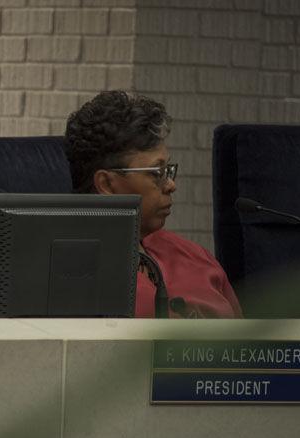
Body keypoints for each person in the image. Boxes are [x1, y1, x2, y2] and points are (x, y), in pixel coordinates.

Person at [65, 91, 242, 318]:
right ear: (107, 184)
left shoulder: (196, 258)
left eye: (168, 170)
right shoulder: (69, 277)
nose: (170, 185)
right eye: (156, 173)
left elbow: (250, 351)